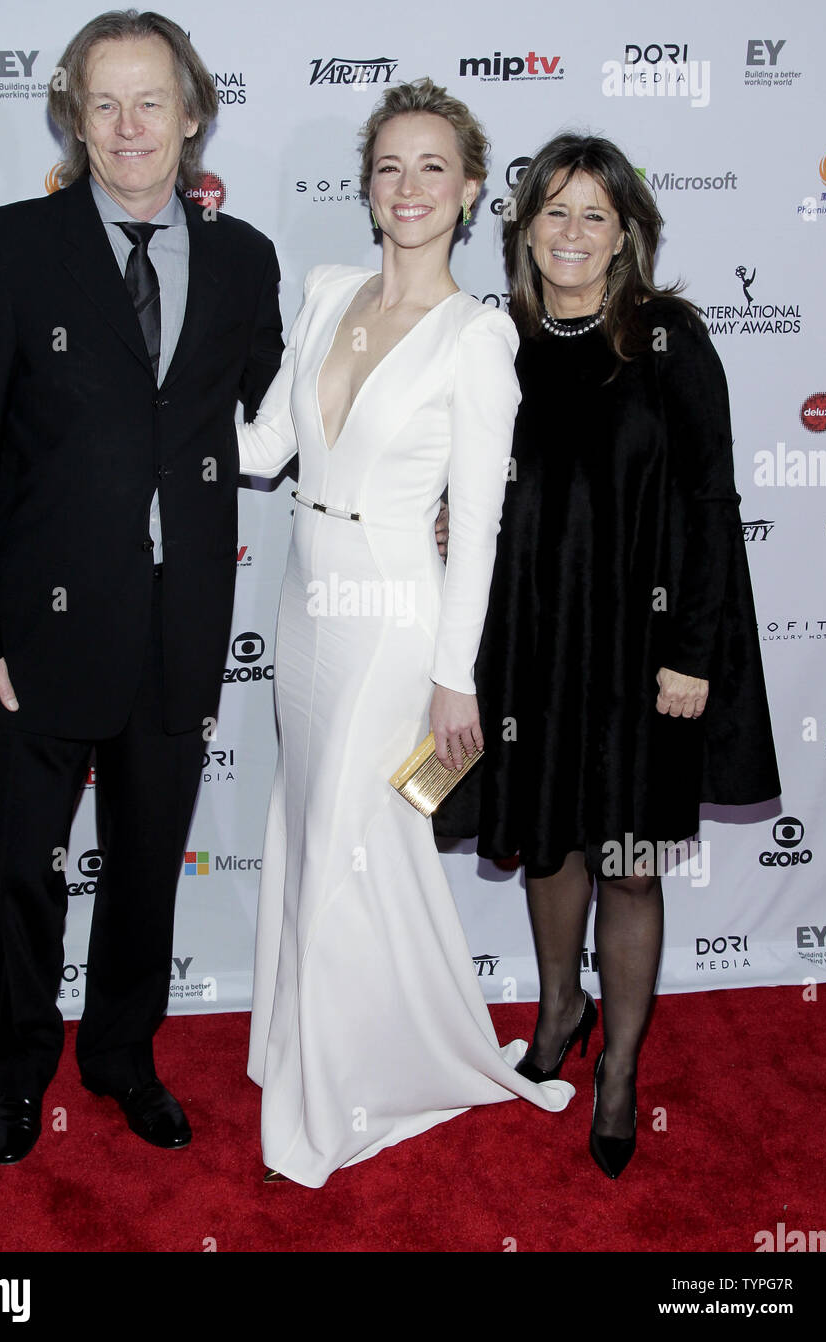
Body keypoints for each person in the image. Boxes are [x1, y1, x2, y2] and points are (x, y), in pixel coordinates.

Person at [0, 10, 283, 1164]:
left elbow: (297, 422)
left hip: (178, 627)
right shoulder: (5, 247)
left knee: (143, 866)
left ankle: (123, 1054)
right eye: (104, 104)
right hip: (33, 633)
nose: (129, 129)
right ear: (74, 118)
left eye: (152, 102)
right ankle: (24, 1060)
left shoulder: (245, 260)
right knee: (19, 866)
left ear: (193, 114)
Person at [235, 80, 575, 1189]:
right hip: (304, 593)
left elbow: (473, 530)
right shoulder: (327, 289)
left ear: (473, 191)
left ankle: (335, 1093)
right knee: (318, 831)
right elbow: (264, 445)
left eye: (435, 167)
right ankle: (312, 1040)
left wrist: (452, 679)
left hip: (393, 611)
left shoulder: (477, 337)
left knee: (346, 830)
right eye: (390, 166)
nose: (411, 187)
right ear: (366, 187)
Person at [436, 133, 780, 1179]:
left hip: (642, 659)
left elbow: (711, 501)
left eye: (594, 214)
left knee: (627, 865)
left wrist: (692, 651)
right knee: (550, 845)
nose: (572, 233)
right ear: (523, 226)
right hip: (532, 647)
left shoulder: (667, 339)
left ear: (626, 232)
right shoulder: (496, 342)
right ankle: (558, 1010)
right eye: (553, 212)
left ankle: (620, 1070)